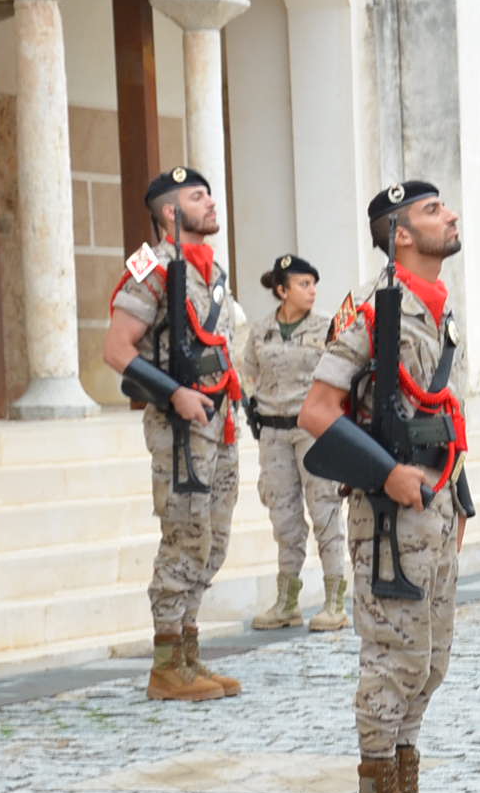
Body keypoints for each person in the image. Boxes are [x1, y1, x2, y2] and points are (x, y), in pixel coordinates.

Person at [301, 180, 475, 793]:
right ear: (401, 233)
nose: (450, 215)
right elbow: (317, 412)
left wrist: (460, 496)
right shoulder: (369, 315)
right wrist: (388, 475)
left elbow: (444, 412)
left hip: (434, 504)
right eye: (434, 211)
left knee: (429, 660)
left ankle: (405, 792)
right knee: (392, 659)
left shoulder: (437, 313)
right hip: (389, 513)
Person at [101, 167, 246, 702]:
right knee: (184, 536)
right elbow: (117, 349)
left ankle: (189, 654)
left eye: (209, 194)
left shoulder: (212, 271)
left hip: (219, 421)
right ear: (169, 212)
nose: (210, 203)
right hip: (180, 427)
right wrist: (173, 394)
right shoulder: (152, 268)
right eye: (196, 196)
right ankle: (166, 664)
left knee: (214, 539)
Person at [236, 254, 351, 633]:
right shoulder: (260, 331)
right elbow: (247, 372)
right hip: (272, 432)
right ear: (282, 290)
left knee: (325, 512)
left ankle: (335, 599)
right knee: (284, 518)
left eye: (314, 284)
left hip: (313, 432)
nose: (312, 291)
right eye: (303, 284)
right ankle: (287, 601)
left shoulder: (328, 329)